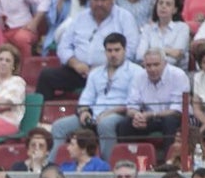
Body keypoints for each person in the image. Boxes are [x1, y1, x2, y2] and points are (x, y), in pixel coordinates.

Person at [35, 0, 138, 98]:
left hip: (112, 71)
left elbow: (130, 50)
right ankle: (44, 110)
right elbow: (63, 46)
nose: (99, 4)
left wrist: (105, 66)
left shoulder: (125, 18)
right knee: (46, 76)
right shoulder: (80, 17)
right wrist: (75, 63)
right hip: (79, 71)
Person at [52, 33, 144, 161]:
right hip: (94, 115)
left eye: (117, 50)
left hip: (119, 114)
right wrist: (84, 112)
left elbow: (133, 103)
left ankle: (107, 166)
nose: (113, 54)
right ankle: (53, 164)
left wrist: (110, 112)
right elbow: (85, 99)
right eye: (109, 50)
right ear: (105, 52)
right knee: (59, 126)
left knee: (105, 124)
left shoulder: (137, 72)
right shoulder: (95, 73)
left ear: (124, 50)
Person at [119, 48, 190, 153]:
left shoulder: (178, 75)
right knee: (125, 124)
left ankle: (168, 159)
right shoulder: (139, 77)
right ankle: (130, 158)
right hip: (148, 118)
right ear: (144, 65)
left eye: (156, 65)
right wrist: (137, 115)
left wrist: (152, 114)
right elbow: (131, 107)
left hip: (172, 117)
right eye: (148, 65)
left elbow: (177, 110)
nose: (152, 69)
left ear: (165, 63)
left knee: (169, 121)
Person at [137, 0, 190, 67]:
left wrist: (151, 52)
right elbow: (140, 55)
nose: (163, 6)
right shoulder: (147, 29)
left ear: (175, 10)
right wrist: (167, 51)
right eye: (160, 3)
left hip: (175, 71)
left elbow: (176, 56)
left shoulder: (182, 27)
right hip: (150, 70)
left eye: (168, 4)